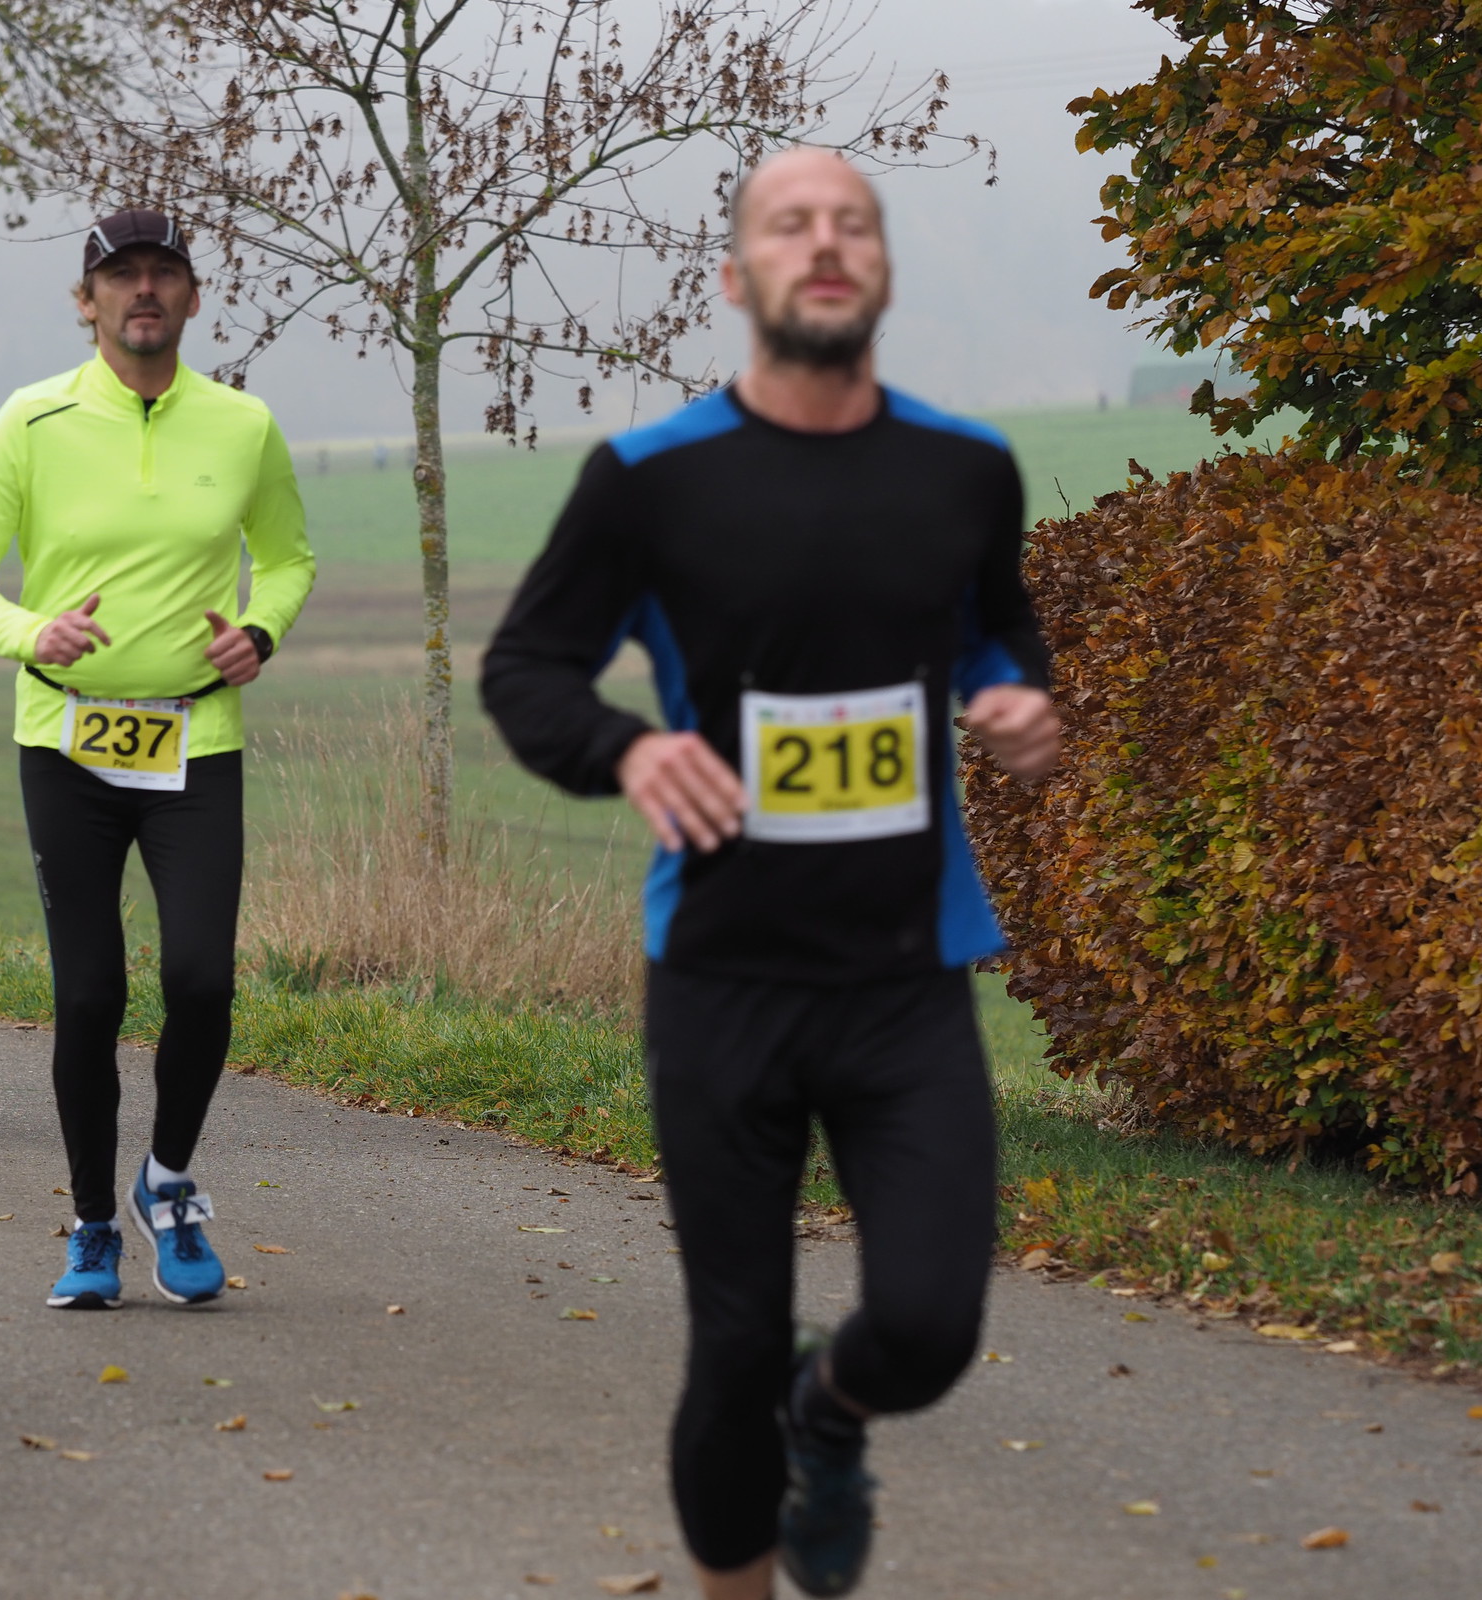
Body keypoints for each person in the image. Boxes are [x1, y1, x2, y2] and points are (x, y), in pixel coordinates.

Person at [481, 148, 1063, 1600]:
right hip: (723, 981)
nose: (826, 243)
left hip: (905, 980)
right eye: (792, 225)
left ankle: (833, 1408)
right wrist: (625, 748)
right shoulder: (650, 481)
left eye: (852, 223)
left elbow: (999, 634)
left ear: (884, 271)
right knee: (733, 1346)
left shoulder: (965, 470)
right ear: (739, 276)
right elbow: (526, 669)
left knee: (928, 1325)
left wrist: (1016, 702)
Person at [0, 208, 314, 1311]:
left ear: (193, 296)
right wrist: (29, 632)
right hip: (68, 742)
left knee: (201, 980)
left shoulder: (243, 425)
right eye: (121, 274)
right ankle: (94, 1223)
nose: (143, 289)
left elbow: (290, 559)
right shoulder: (31, 420)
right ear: (86, 299)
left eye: (163, 273)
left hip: (197, 740)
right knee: (91, 992)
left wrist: (261, 631)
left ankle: (168, 1179)